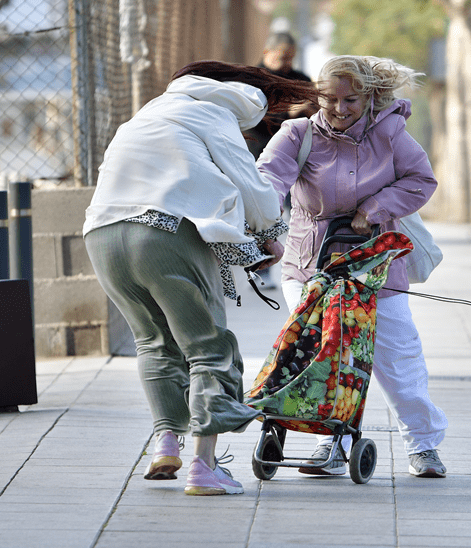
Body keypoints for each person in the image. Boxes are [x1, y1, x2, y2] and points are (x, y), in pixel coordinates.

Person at [83, 60, 321, 495]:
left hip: (101, 234)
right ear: (247, 97)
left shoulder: (147, 113)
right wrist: (271, 235)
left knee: (153, 343)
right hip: (163, 233)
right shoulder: (216, 112)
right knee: (208, 347)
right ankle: (204, 468)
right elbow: (250, 186)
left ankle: (165, 443)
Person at [256, 55, 449, 478]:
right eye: (330, 100)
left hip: (375, 265)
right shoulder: (298, 134)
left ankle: (423, 443)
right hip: (310, 264)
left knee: (398, 359)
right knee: (328, 354)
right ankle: (334, 439)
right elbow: (267, 179)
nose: (340, 109)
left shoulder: (390, 133)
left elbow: (421, 180)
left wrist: (377, 207)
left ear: (369, 96)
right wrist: (262, 219)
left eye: (351, 100)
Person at [244, 31, 318, 289]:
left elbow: (318, 110)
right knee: (263, 211)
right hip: (261, 152)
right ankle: (260, 268)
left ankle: (307, 266)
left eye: (290, 58)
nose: (287, 63)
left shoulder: (300, 79)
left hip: (297, 156)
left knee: (302, 209)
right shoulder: (252, 79)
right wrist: (289, 112)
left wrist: (309, 110)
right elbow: (253, 117)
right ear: (267, 53)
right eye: (282, 57)